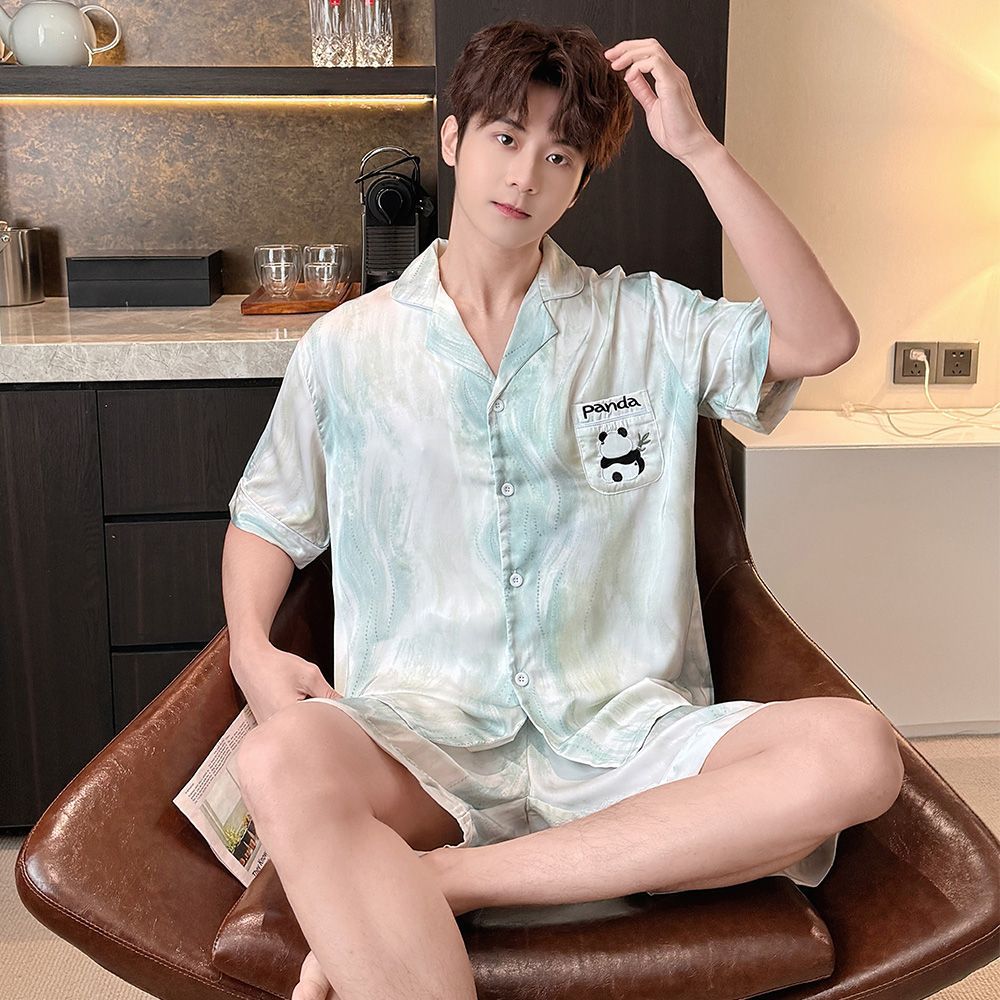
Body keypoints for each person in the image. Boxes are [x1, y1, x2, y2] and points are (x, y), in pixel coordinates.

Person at [221, 18, 901, 1000]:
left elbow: (821, 337)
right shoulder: (347, 347)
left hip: (625, 739)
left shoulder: (649, 321)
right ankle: (474, 866)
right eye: (505, 138)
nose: (525, 175)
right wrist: (251, 648)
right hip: (421, 741)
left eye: (558, 156)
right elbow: (269, 518)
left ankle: (448, 881)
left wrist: (699, 150)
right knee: (279, 755)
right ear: (452, 140)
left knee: (856, 751)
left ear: (580, 184)